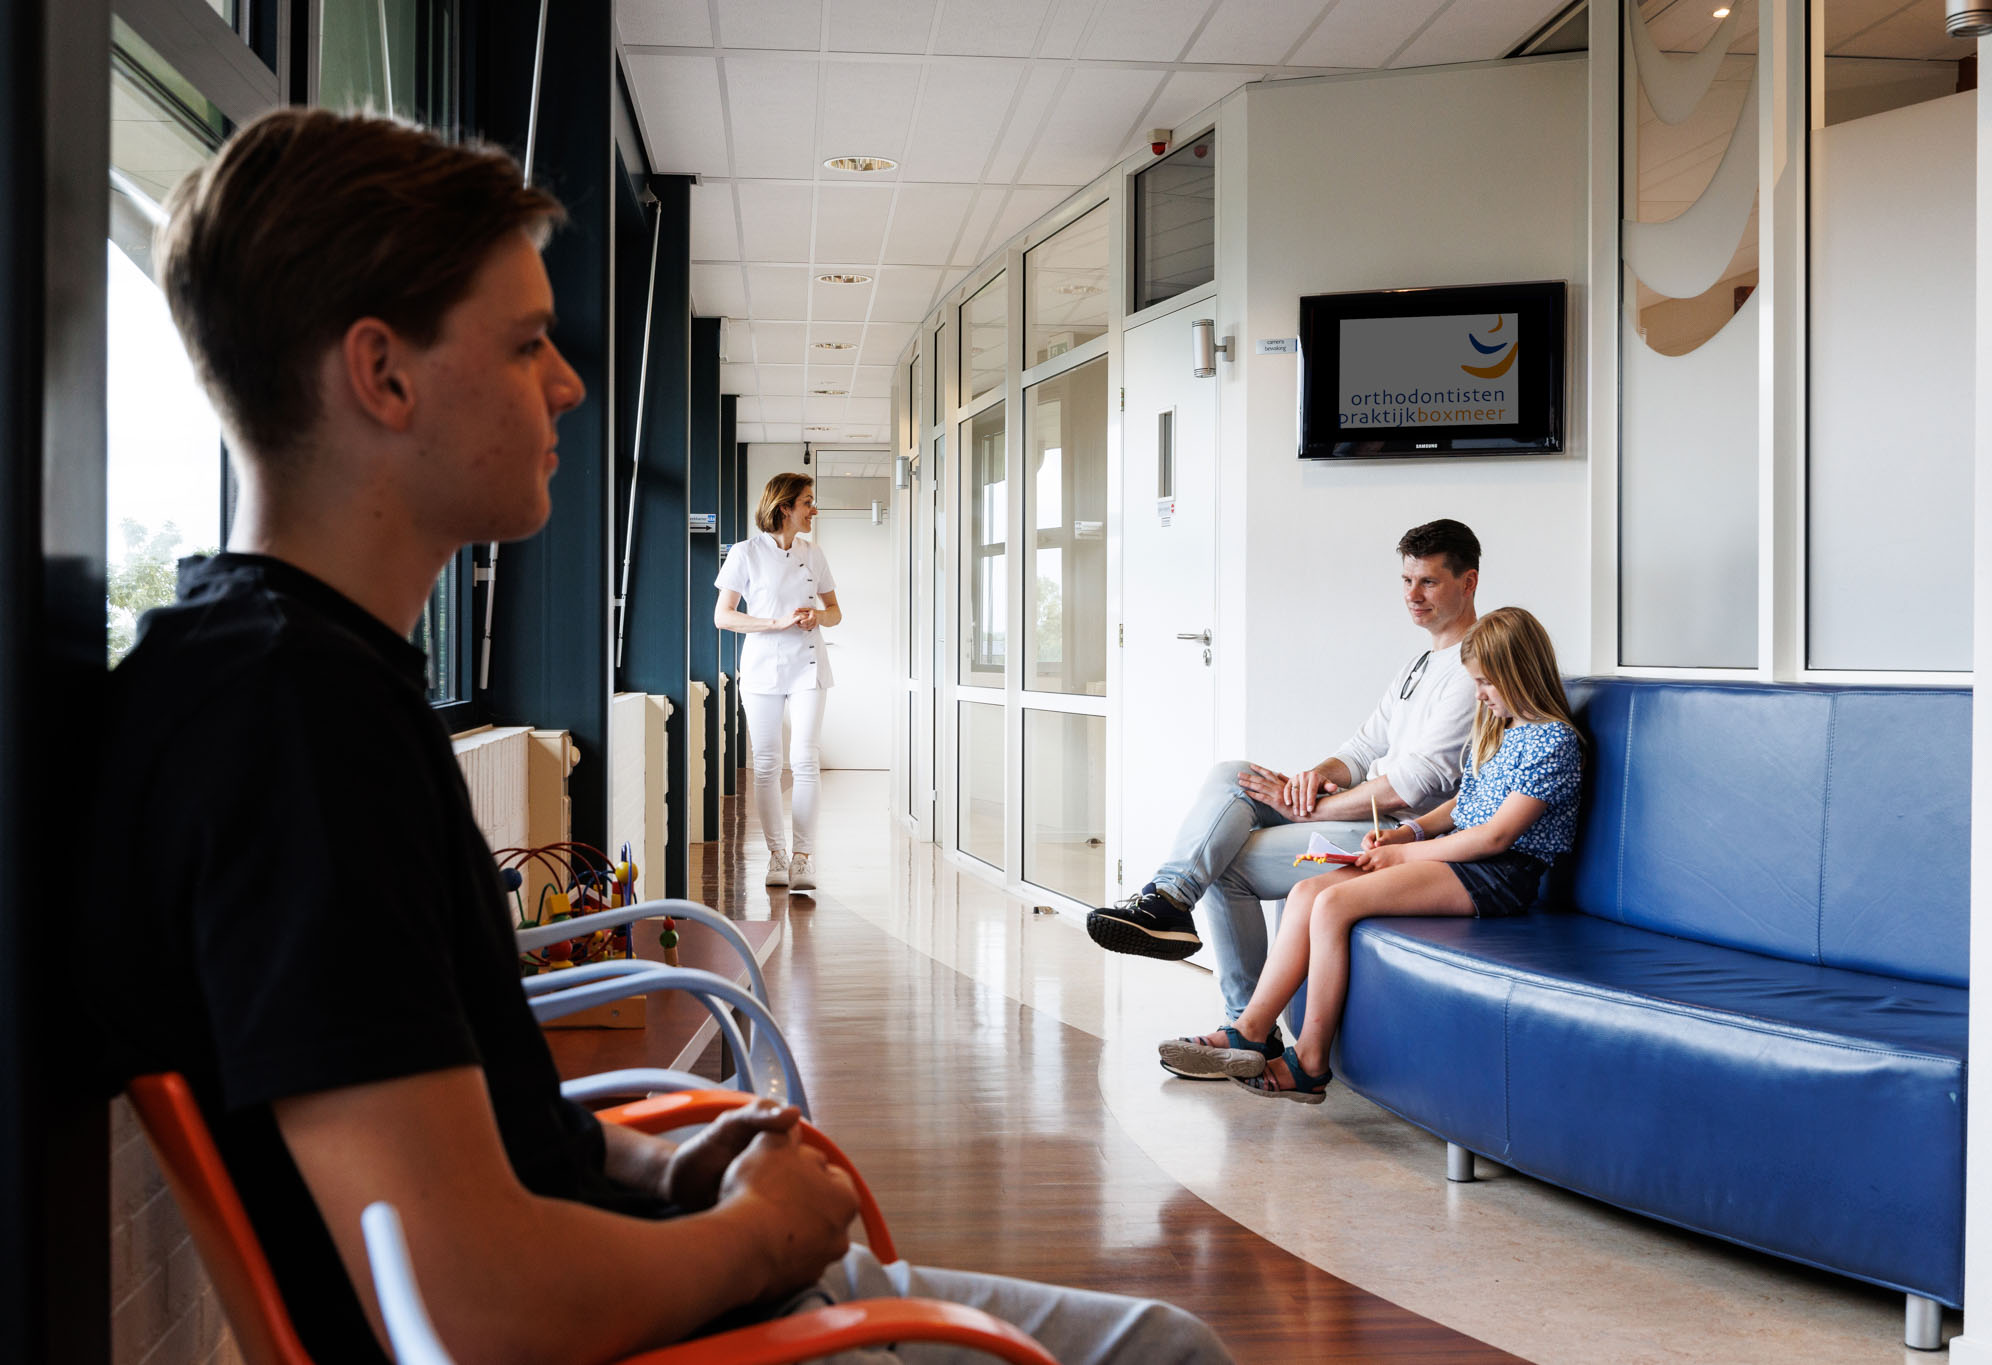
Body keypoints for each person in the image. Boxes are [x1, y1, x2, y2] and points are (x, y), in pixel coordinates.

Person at [99, 108, 1230, 1365]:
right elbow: (474, 1308)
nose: (568, 383)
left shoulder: (277, 681)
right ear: (383, 374)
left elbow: (493, 1140)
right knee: (1162, 1352)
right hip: (653, 1322)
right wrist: (760, 1236)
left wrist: (667, 1168)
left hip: (643, 1263)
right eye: (526, 343)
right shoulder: (300, 730)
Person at [1088, 520, 1484, 1074]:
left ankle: (1247, 1029)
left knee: (1228, 862)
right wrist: (1313, 778)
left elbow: (1412, 784)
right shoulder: (1418, 664)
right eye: (1406, 580)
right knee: (1234, 774)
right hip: (1362, 809)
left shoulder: (1472, 670)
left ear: (1468, 582)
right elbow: (1362, 748)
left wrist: (1313, 807)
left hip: (1395, 832)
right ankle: (1169, 899)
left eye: (1429, 582)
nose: (1412, 595)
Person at [1187, 607, 1582, 1103]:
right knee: (1308, 892)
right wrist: (1409, 833)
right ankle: (1250, 1029)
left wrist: (1408, 857)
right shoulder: (1501, 731)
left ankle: (1311, 1060)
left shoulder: (1553, 740)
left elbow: (1496, 837)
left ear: (1519, 673)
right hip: (1461, 857)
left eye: (1486, 683)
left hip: (1497, 875)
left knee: (1333, 904)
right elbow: (1465, 804)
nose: (1479, 694)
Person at [714, 472, 840, 891]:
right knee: (767, 764)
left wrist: (817, 616)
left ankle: (803, 858)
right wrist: (776, 622)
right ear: (784, 507)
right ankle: (776, 856)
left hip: (808, 666)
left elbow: (835, 612)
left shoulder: (813, 554)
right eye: (807, 502)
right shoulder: (745, 553)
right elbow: (723, 616)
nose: (814, 510)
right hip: (762, 668)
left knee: (805, 760)